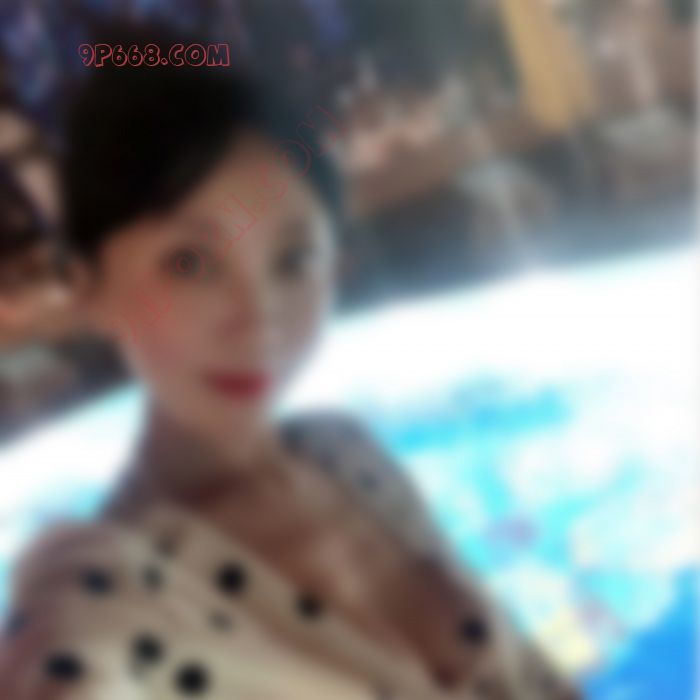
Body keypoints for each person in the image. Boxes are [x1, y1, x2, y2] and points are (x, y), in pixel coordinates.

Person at [0, 40, 582, 700]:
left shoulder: (348, 454)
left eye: (293, 259)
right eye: (190, 263)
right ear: (88, 290)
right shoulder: (100, 592)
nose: (260, 320)